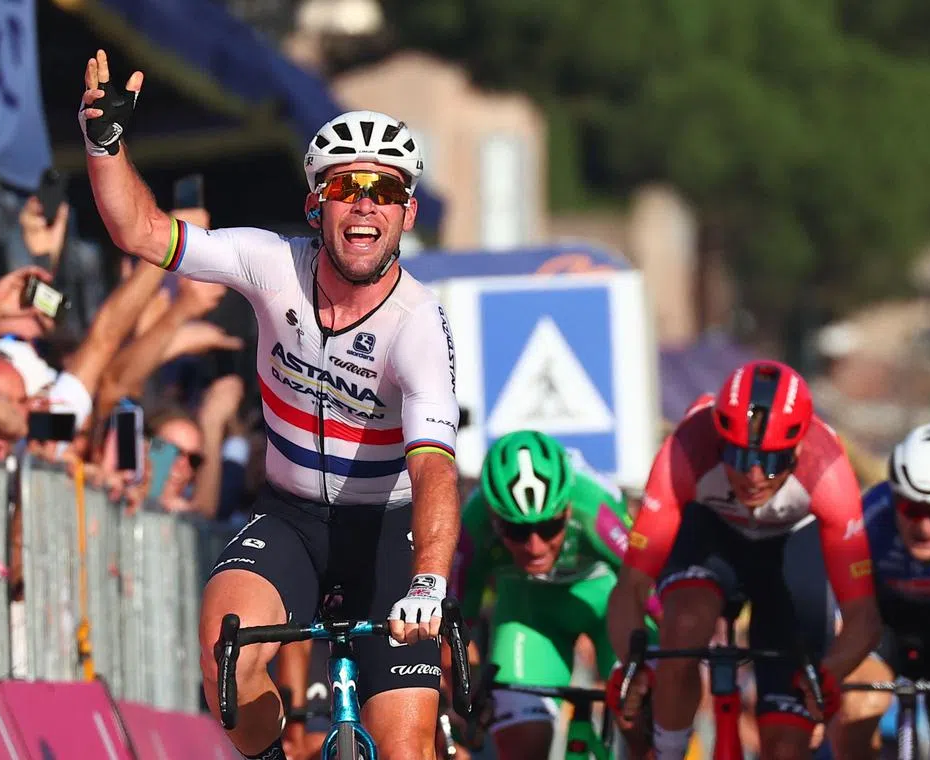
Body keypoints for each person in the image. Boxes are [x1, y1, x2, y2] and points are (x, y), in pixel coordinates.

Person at [79, 50, 460, 760]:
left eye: (386, 188)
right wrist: (105, 147)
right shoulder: (270, 264)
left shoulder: (417, 325)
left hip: (388, 530)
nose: (366, 202)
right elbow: (141, 233)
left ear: (406, 211)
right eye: (349, 186)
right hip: (291, 517)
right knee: (226, 660)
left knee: (406, 750)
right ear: (319, 204)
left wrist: (429, 585)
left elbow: (436, 468)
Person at [606, 360, 882, 760]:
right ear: (720, 440)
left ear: (799, 448)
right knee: (684, 626)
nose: (753, 476)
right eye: (738, 456)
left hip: (791, 550)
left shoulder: (830, 473)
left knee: (785, 747)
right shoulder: (685, 451)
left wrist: (829, 673)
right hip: (710, 536)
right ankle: (667, 750)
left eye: (772, 462)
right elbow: (631, 587)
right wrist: (633, 667)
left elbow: (863, 615)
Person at [453, 430, 658, 760]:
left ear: (566, 509)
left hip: (608, 608)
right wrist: (468, 687)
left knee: (644, 726)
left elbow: (649, 589)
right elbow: (458, 619)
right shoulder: (473, 522)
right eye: (517, 530)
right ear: (493, 517)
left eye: (548, 527)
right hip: (528, 616)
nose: (534, 546)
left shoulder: (592, 504)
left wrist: (656, 665)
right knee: (522, 745)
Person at [831, 423, 930, 760]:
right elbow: (837, 608)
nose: (925, 526)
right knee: (858, 705)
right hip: (882, 628)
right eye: (912, 509)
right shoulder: (869, 516)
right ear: (895, 498)